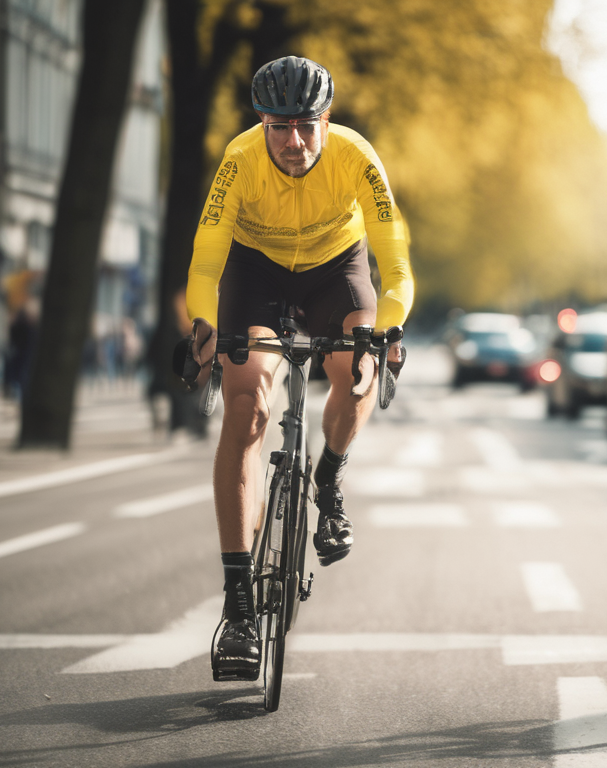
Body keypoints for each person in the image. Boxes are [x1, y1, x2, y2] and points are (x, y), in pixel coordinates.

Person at [185, 56, 414, 681]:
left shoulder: (356, 156)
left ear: (325, 121)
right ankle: (238, 608)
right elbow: (205, 263)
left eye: (306, 126)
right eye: (279, 127)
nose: (293, 141)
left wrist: (388, 325)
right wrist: (204, 325)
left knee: (358, 369)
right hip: (255, 270)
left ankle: (329, 478)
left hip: (335, 267)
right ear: (262, 122)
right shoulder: (239, 160)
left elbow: (395, 263)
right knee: (246, 406)